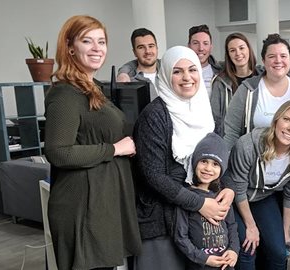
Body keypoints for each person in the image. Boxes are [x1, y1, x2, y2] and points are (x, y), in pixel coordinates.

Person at [44, 15, 141, 270]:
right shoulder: (66, 92)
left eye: (102, 41)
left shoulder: (92, 87)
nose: (97, 48)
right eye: (87, 41)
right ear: (70, 46)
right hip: (82, 206)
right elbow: (58, 152)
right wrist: (114, 149)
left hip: (101, 202)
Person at [132, 46, 234, 269]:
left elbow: (214, 156)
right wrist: (199, 204)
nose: (187, 77)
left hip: (196, 224)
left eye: (192, 70)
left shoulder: (203, 111)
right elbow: (154, 175)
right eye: (177, 71)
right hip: (162, 224)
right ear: (166, 75)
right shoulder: (154, 115)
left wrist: (226, 187)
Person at [223, 99, 290, 270]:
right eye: (287, 119)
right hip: (235, 198)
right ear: (276, 120)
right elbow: (238, 188)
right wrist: (251, 226)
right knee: (247, 248)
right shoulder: (248, 145)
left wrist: (285, 231)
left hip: (263, 197)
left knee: (279, 251)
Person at [223, 33, 290, 150]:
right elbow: (231, 132)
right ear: (263, 60)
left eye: (283, 56)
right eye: (272, 56)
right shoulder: (247, 90)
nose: (278, 61)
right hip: (254, 163)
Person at [175, 133, 239, 270]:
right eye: (204, 161)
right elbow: (181, 237)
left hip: (225, 264)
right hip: (200, 265)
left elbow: (232, 226)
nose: (208, 168)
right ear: (195, 162)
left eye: (215, 164)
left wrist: (234, 250)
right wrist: (203, 258)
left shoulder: (222, 196)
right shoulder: (187, 198)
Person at [210, 32, 262, 136]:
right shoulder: (220, 82)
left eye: (241, 48)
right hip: (229, 140)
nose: (238, 53)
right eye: (232, 50)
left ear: (249, 49)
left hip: (257, 140)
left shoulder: (262, 77)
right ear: (228, 55)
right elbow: (215, 118)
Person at [116, 28, 160, 100]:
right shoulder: (128, 82)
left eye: (151, 46)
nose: (147, 51)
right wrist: (122, 73)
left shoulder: (169, 71)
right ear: (134, 52)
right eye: (141, 47)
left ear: (157, 48)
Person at [189, 24, 223, 97]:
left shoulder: (222, 71)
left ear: (211, 47)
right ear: (189, 46)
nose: (201, 48)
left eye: (205, 43)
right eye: (195, 43)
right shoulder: (177, 72)